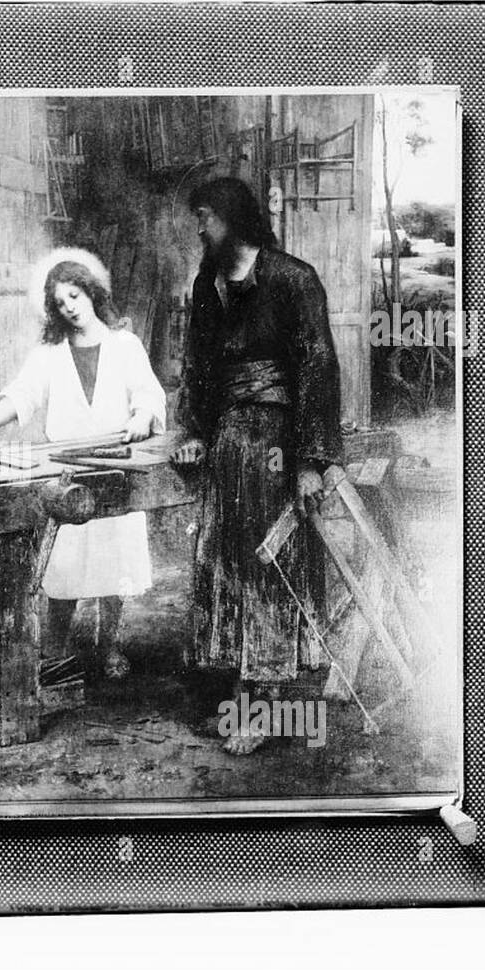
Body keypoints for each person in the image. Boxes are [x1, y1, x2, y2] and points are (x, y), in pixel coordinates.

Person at [169, 178, 345, 754]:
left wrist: (312, 460)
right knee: (225, 560)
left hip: (276, 439)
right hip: (227, 443)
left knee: (270, 564)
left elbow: (318, 367)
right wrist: (194, 431)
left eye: (205, 218)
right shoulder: (207, 284)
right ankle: (239, 684)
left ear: (234, 219)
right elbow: (197, 366)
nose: (199, 229)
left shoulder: (293, 279)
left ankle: (263, 701)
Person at [0, 250, 167, 679]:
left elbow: (149, 394)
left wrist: (140, 416)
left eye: (75, 296)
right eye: (61, 304)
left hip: (116, 466)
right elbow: (23, 393)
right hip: (69, 470)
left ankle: (111, 643)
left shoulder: (124, 344)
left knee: (115, 561)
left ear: (91, 293)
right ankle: (57, 647)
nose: (70, 308)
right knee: (64, 564)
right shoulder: (50, 352)